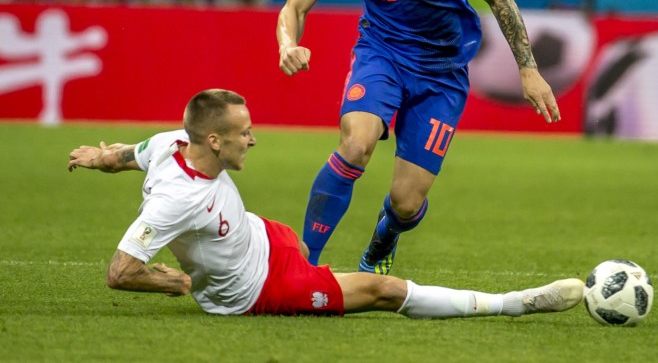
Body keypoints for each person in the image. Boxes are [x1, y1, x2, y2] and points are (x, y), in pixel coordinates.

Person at [277, 0, 560, 274]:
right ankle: (302, 266)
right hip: (382, 53)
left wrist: (529, 69)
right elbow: (294, 6)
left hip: (443, 72)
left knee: (407, 204)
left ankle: (382, 239)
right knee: (356, 144)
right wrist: (287, 44)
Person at [66, 88, 584, 318]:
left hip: (264, 238)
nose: (254, 140)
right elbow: (120, 271)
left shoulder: (168, 143)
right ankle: (515, 303)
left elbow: (125, 157)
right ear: (215, 142)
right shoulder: (175, 202)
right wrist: (172, 282)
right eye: (244, 133)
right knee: (381, 290)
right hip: (258, 289)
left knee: (313, 245)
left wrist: (95, 156)